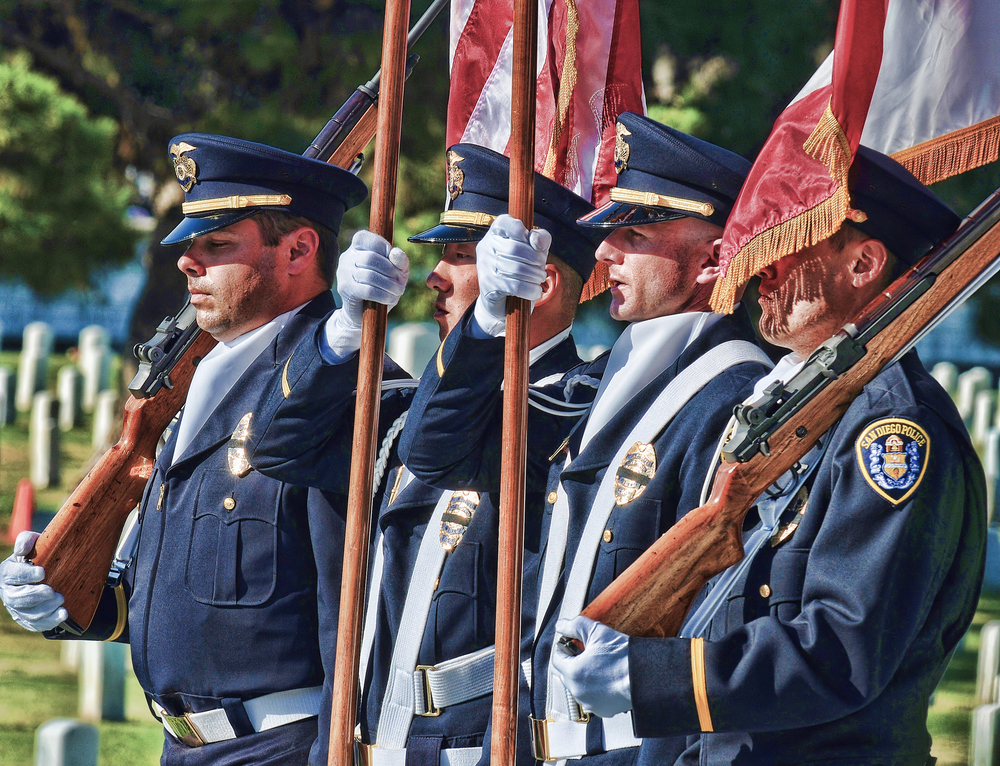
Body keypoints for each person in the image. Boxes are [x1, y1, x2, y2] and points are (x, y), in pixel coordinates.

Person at [551, 146, 987, 766]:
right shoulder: (813, 407)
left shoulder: (891, 430)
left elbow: (839, 649)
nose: (761, 266)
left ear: (863, 264)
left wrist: (652, 675)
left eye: (792, 240)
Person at [0, 133, 413, 766]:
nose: (187, 263)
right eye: (188, 245)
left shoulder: (349, 388)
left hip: (283, 749)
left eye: (216, 245)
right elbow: (173, 597)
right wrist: (63, 600)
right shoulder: (194, 393)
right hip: (182, 749)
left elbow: (352, 609)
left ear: (300, 249)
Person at [399, 113, 773, 765]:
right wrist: (487, 321)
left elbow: (719, 619)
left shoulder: (738, 400)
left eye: (634, 234)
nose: (603, 253)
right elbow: (433, 450)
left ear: (716, 258)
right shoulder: (603, 386)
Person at [351, 143, 608, 766]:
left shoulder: (578, 405)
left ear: (537, 281)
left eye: (463, 258)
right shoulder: (432, 395)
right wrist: (344, 324)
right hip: (383, 732)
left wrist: (489, 322)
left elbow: (437, 447)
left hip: (483, 741)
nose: (433, 276)